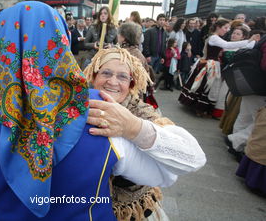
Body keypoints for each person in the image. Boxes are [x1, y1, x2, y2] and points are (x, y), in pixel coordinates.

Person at [0, 1, 206, 220]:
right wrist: (135, 129)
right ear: (62, 40)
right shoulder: (101, 110)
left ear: (2, 45)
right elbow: (167, 174)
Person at [83, 47, 205, 220]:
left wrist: (133, 127)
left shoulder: (142, 112)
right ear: (94, 76)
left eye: (122, 76)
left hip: (128, 211)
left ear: (131, 84)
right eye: (106, 73)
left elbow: (195, 158)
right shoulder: (78, 104)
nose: (112, 81)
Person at [179, 19, 258, 117]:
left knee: (207, 86)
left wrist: (252, 42)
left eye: (228, 28)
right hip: (210, 65)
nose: (227, 30)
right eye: (225, 28)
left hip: (212, 64)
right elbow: (227, 45)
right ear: (218, 27)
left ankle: (198, 108)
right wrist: (249, 40)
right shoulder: (214, 38)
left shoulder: (217, 38)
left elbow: (229, 46)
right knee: (205, 86)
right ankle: (197, 108)